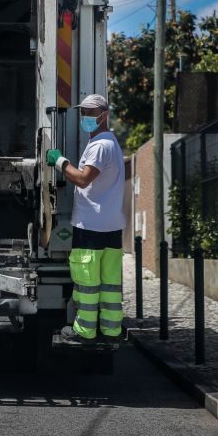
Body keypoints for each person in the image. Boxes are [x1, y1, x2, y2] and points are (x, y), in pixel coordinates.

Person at [46, 93, 126, 344]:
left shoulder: (100, 145)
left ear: (105, 115)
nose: (86, 117)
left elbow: (82, 178)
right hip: (111, 225)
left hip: (91, 225)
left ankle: (84, 330)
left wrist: (59, 161)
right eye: (84, 113)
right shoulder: (111, 142)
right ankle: (111, 330)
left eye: (91, 113)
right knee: (109, 284)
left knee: (88, 282)